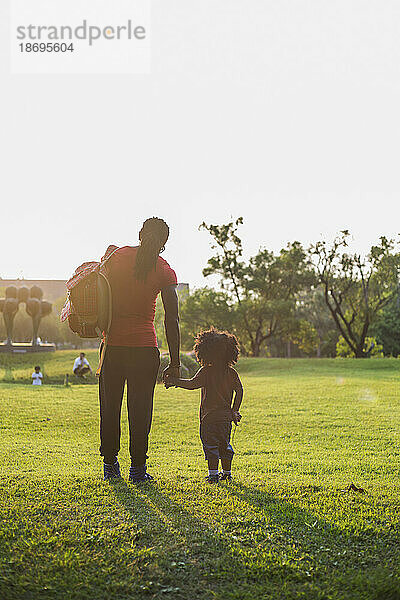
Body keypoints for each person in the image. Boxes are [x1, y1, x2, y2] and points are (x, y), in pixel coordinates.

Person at [100, 217, 180, 482]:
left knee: (110, 406)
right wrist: (176, 362)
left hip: (112, 346)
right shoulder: (163, 269)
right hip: (145, 349)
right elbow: (172, 319)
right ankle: (137, 470)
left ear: (140, 233)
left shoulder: (117, 257)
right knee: (141, 409)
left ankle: (110, 466)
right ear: (165, 242)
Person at [165, 328, 243, 483]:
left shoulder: (206, 371)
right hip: (226, 418)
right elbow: (239, 391)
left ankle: (213, 475)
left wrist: (174, 382)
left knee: (211, 446)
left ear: (205, 351)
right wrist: (235, 410)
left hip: (208, 418)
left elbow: (192, 384)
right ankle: (227, 473)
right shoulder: (232, 373)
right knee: (225, 445)